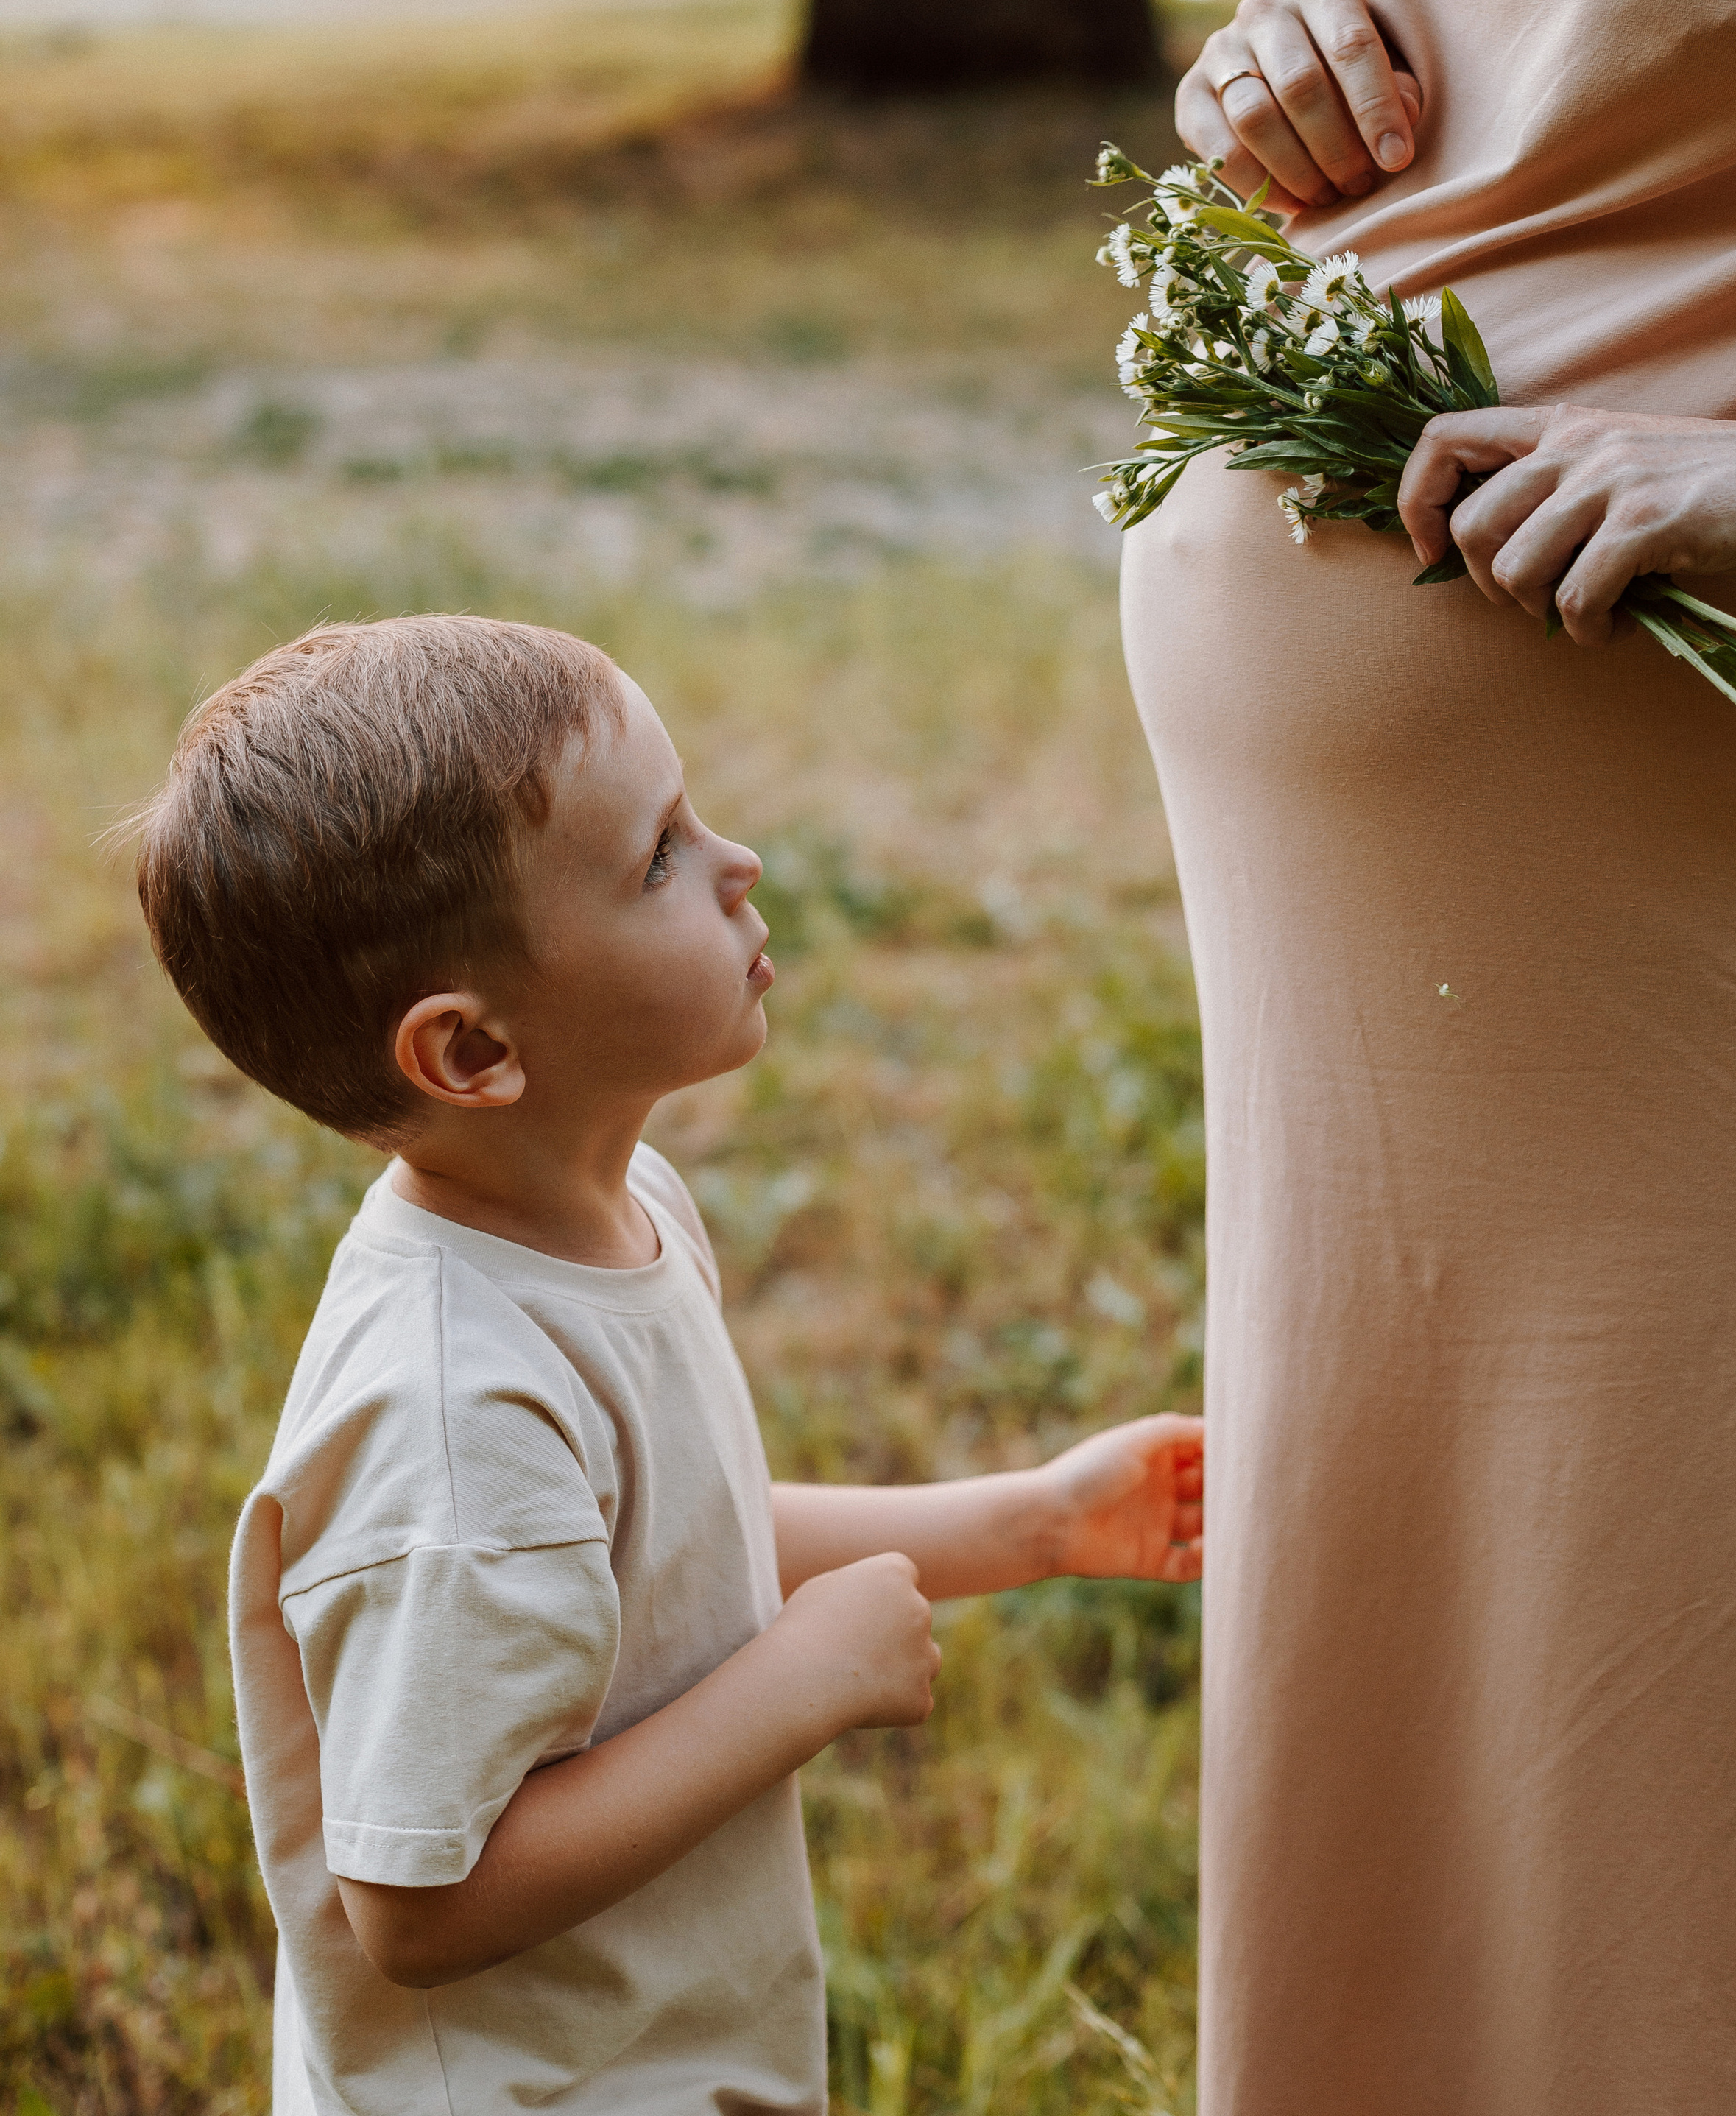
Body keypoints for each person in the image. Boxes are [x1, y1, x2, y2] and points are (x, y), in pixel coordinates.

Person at [1115, 0, 1736, 2107]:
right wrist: (1268, 87)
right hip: (1399, 1037)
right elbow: (1541, 108)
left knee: (1722, 1699)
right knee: (1443, 1694)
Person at [132, 615, 1205, 2116]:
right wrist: (797, 1685)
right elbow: (418, 1900)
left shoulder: (621, 1215)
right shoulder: (450, 1413)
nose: (739, 859)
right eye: (656, 856)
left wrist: (1029, 1520)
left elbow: (664, 1547)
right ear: (469, 1051)